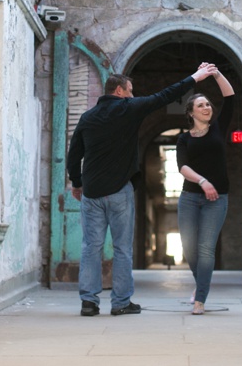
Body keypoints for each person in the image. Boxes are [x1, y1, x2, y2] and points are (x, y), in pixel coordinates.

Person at [67, 64, 215, 317]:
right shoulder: (128, 108)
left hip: (91, 192)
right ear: (120, 91)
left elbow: (74, 155)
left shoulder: (87, 117)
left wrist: (77, 183)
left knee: (90, 246)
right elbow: (165, 95)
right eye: (131, 91)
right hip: (119, 192)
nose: (133, 96)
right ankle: (121, 302)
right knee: (123, 248)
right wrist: (194, 78)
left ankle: (89, 302)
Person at [175, 66, 235, 315]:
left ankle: (200, 300)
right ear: (191, 112)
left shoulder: (219, 128)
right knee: (189, 248)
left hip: (217, 198)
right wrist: (202, 181)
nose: (207, 107)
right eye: (201, 105)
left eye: (208, 104)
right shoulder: (184, 138)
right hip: (190, 197)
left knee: (206, 248)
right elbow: (182, 167)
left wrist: (216, 74)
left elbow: (230, 97)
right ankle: (200, 285)